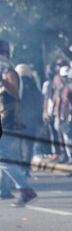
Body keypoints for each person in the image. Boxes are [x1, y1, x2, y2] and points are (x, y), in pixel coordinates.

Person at [0, 39, 37, 206]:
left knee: (3, 158)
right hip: (4, 120)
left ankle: (25, 189)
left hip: (8, 121)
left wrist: (2, 80)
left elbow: (14, 92)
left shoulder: (9, 72)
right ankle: (5, 190)